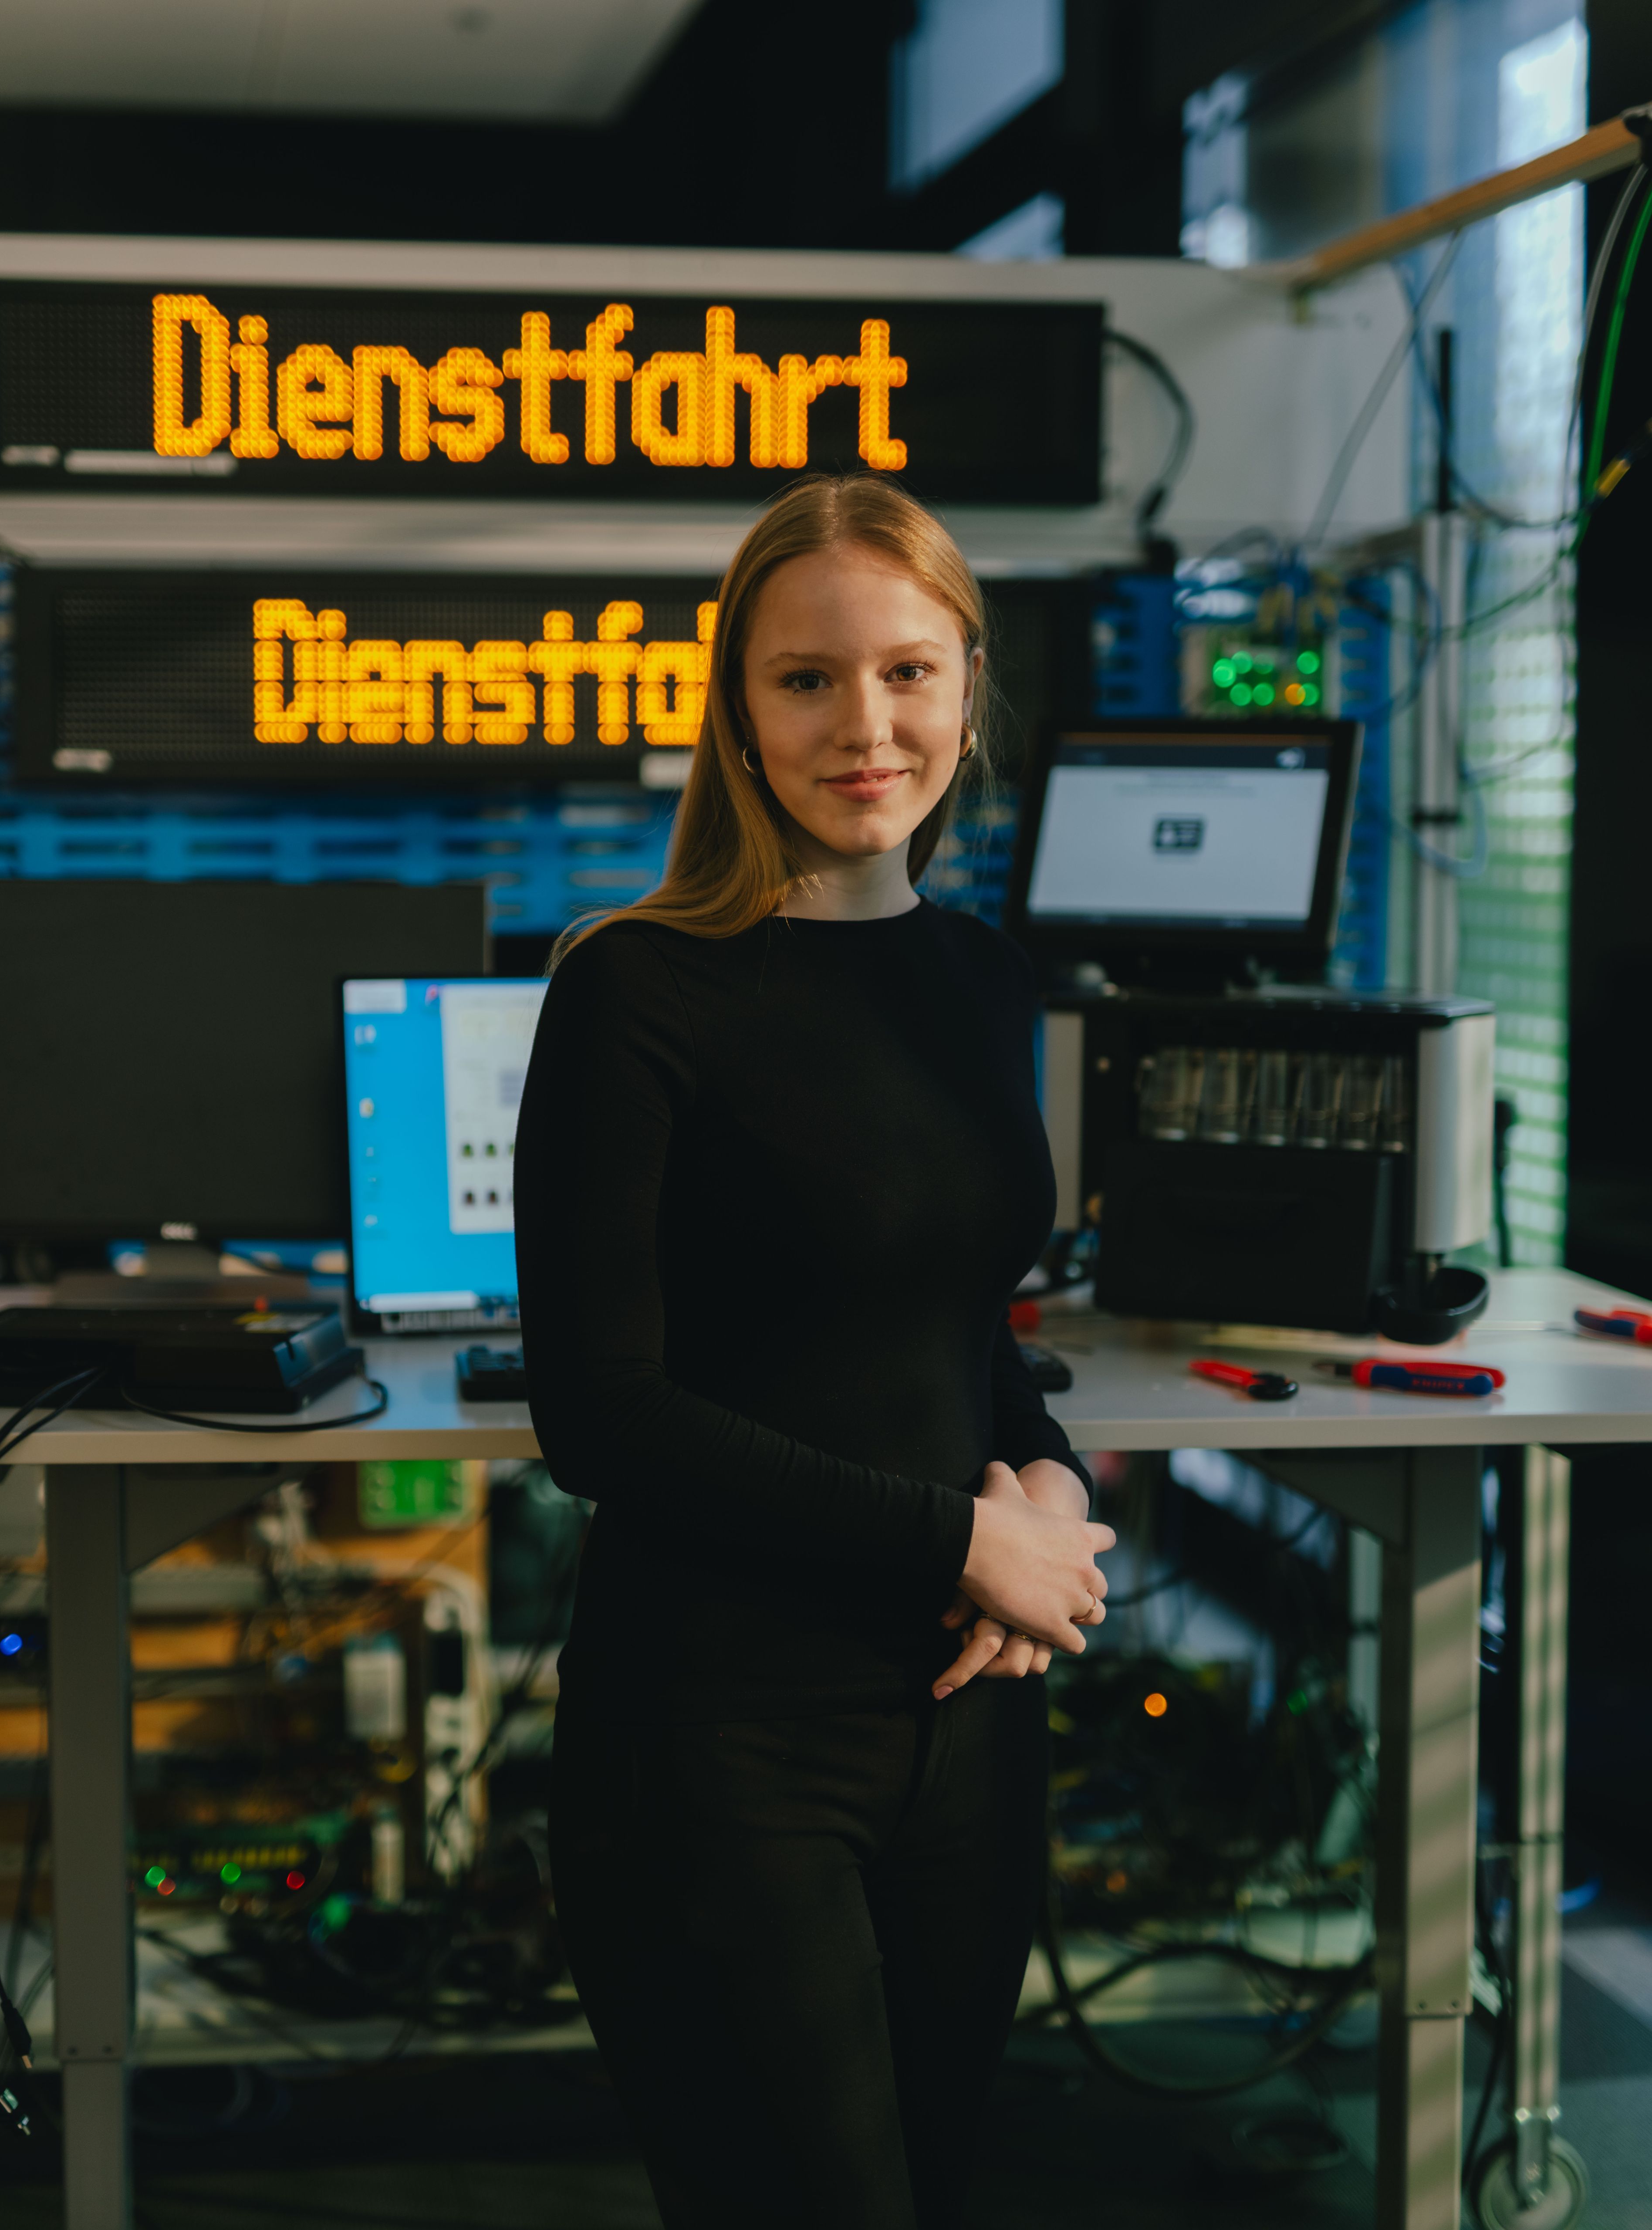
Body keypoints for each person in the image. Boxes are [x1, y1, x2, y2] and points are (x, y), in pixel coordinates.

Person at [514, 473, 1115, 2230]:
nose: (867, 725)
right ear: (738, 706)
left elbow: (962, 1321)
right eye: (808, 679)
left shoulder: (981, 977)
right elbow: (599, 1414)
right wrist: (963, 1541)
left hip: (965, 1725)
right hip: (723, 1739)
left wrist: (1047, 1485)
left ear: (968, 685)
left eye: (909, 671)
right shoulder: (633, 987)